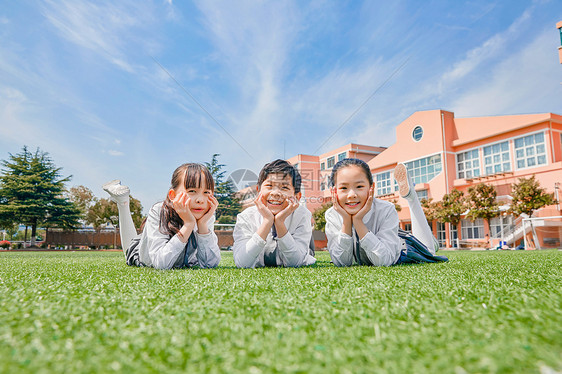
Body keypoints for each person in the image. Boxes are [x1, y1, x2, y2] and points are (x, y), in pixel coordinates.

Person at [325, 158, 447, 266]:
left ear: (371, 188)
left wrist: (358, 222)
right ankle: (430, 240)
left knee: (429, 251)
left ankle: (412, 197)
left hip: (400, 248)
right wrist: (347, 221)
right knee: (426, 243)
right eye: (344, 188)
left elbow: (384, 261)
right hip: (386, 236)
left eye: (359, 187)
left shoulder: (386, 209)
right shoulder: (332, 215)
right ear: (333, 192)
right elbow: (342, 262)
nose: (352, 195)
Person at [102, 163, 221, 270]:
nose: (200, 200)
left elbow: (209, 264)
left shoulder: (205, 215)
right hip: (143, 250)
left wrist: (202, 225)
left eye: (207, 192)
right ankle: (122, 202)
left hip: (162, 242)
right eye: (192, 191)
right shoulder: (158, 210)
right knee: (130, 249)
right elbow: (161, 263)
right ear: (173, 195)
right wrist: (188, 224)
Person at [233, 159, 316, 268]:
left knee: (305, 252)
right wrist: (267, 221)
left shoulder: (303, 215)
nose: (276, 193)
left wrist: (280, 223)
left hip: (300, 246)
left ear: (297, 196)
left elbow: (295, 263)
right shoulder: (246, 217)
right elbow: (242, 263)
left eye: (285, 187)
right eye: (269, 186)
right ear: (258, 190)